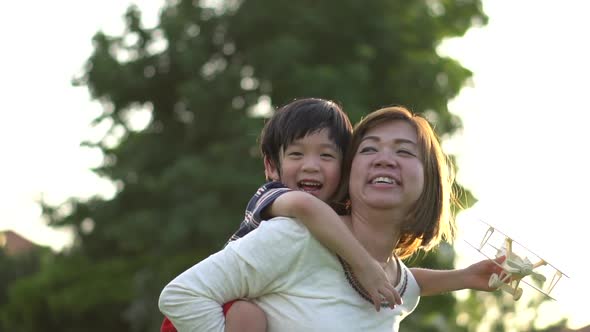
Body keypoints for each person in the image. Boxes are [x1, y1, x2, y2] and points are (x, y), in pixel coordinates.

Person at [159, 106, 503, 331]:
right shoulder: (297, 235)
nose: (384, 159)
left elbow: (407, 284)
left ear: (430, 179)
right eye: (369, 149)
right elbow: (181, 296)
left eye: (403, 151)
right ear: (350, 173)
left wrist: (465, 276)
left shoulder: (392, 280)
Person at [160, 98, 400, 332]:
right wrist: (365, 266)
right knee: (248, 315)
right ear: (272, 166)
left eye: (326, 155)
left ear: (345, 166)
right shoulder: (274, 195)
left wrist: (431, 280)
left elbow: (395, 274)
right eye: (296, 154)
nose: (311, 166)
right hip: (211, 309)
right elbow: (305, 207)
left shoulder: (337, 227)